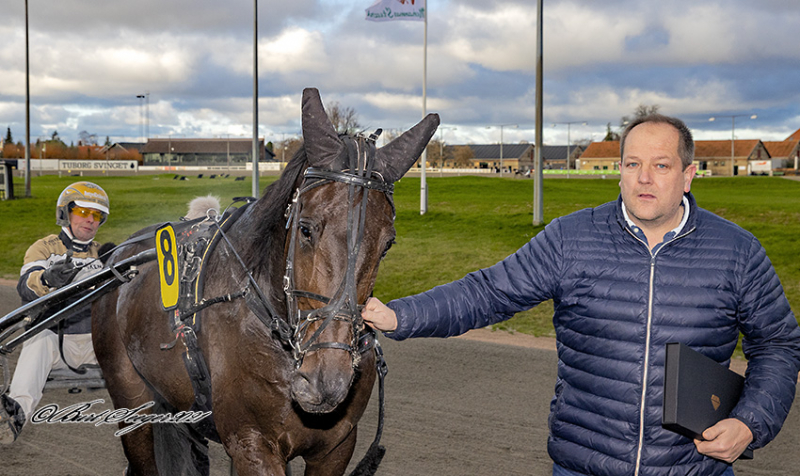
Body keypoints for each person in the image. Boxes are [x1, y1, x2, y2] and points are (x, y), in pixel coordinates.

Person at [362, 114, 800, 476]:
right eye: (632, 164)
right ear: (620, 170)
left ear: (688, 176)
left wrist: (750, 423)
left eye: (661, 166)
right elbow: (489, 293)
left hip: (692, 468)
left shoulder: (737, 252)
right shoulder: (571, 239)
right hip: (584, 465)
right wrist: (402, 315)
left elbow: (778, 345)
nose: (644, 178)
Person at [0, 181, 111, 444]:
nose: (90, 220)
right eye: (83, 211)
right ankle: (14, 416)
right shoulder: (44, 247)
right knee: (38, 339)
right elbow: (26, 286)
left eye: (96, 215)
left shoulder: (106, 254)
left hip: (97, 343)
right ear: (65, 212)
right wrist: (48, 278)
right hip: (55, 343)